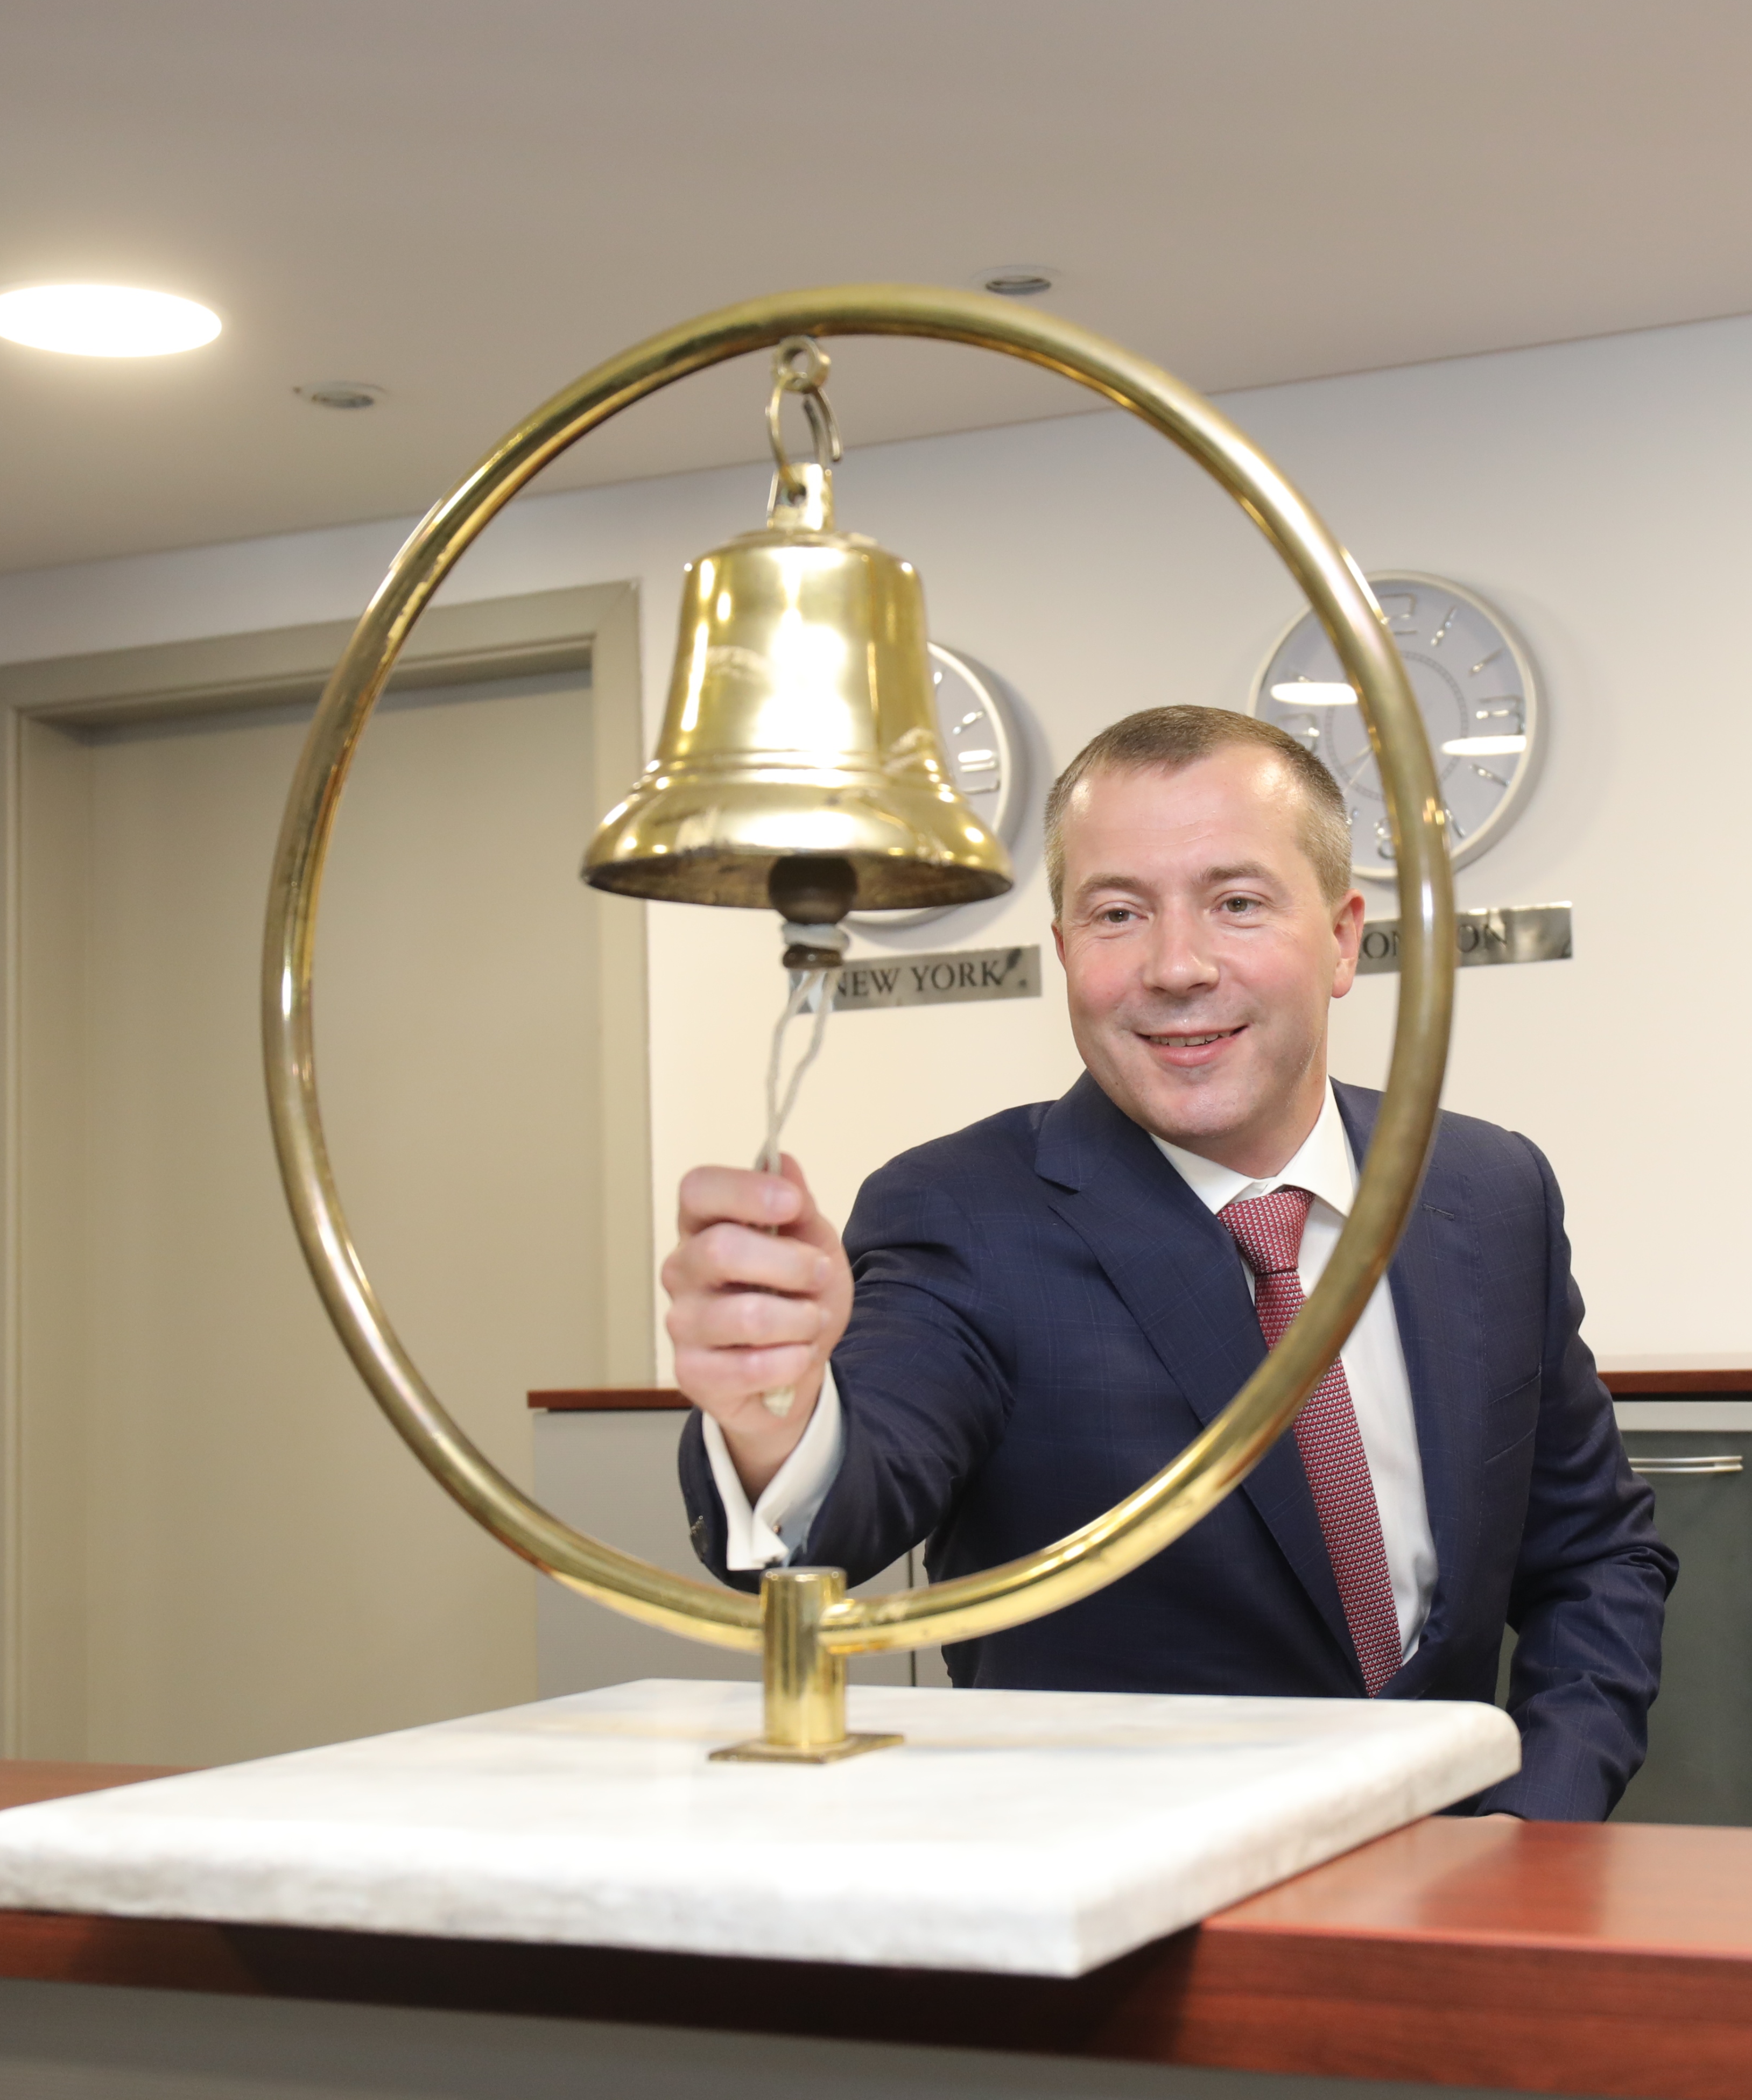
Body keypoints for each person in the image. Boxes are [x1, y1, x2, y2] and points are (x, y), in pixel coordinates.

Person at [665, 706, 1673, 1821]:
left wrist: (1537, 1821)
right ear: (1063, 952)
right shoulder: (958, 1212)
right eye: (1115, 914)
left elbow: (1592, 1560)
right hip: (1125, 1921)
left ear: (1340, 939)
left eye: (1235, 904)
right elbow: (842, 1509)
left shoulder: (1485, 1190)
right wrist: (772, 1408)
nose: (1175, 966)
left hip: (1456, 1901)